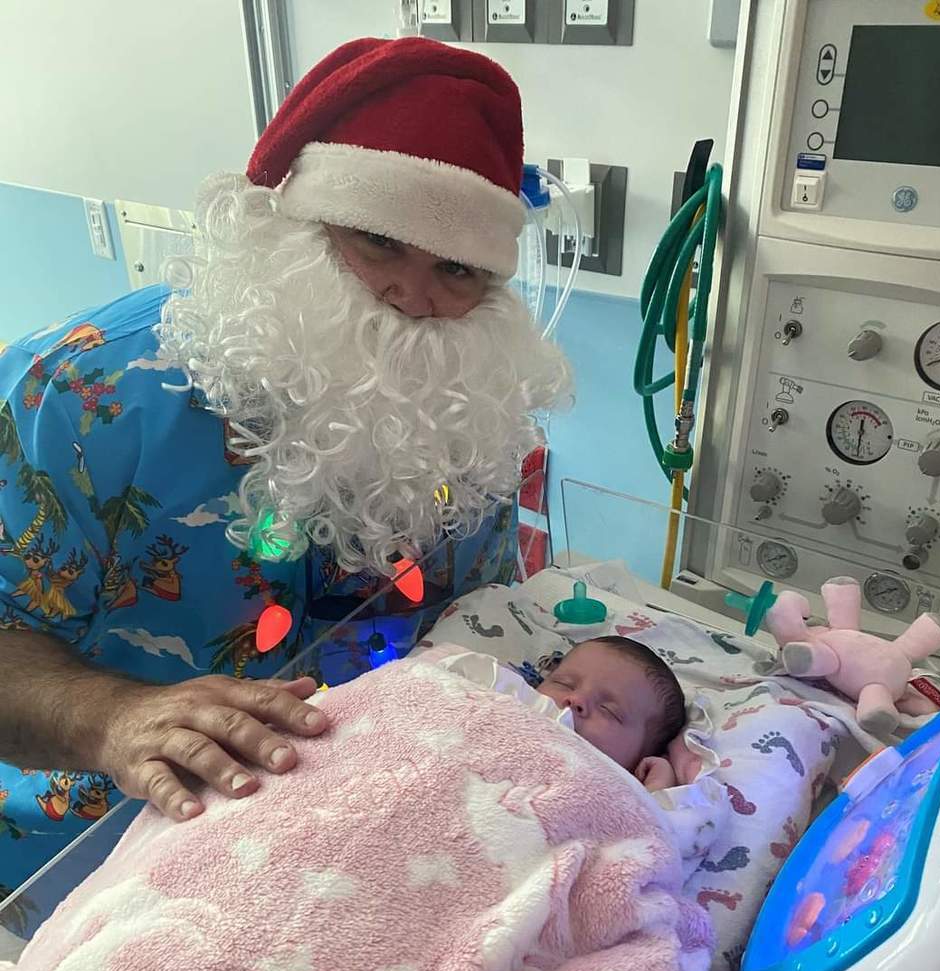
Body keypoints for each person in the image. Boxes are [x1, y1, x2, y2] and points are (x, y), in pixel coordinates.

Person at [0, 36, 571, 894]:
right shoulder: (77, 394)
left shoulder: (469, 407)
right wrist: (113, 718)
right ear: (285, 229)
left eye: (456, 269)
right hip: (93, 852)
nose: (412, 300)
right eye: (378, 242)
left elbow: (476, 619)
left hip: (367, 833)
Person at [536, 636, 689, 788]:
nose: (576, 699)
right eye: (564, 683)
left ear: (636, 766)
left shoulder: (614, 790)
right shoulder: (522, 704)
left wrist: (656, 790)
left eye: (608, 710)